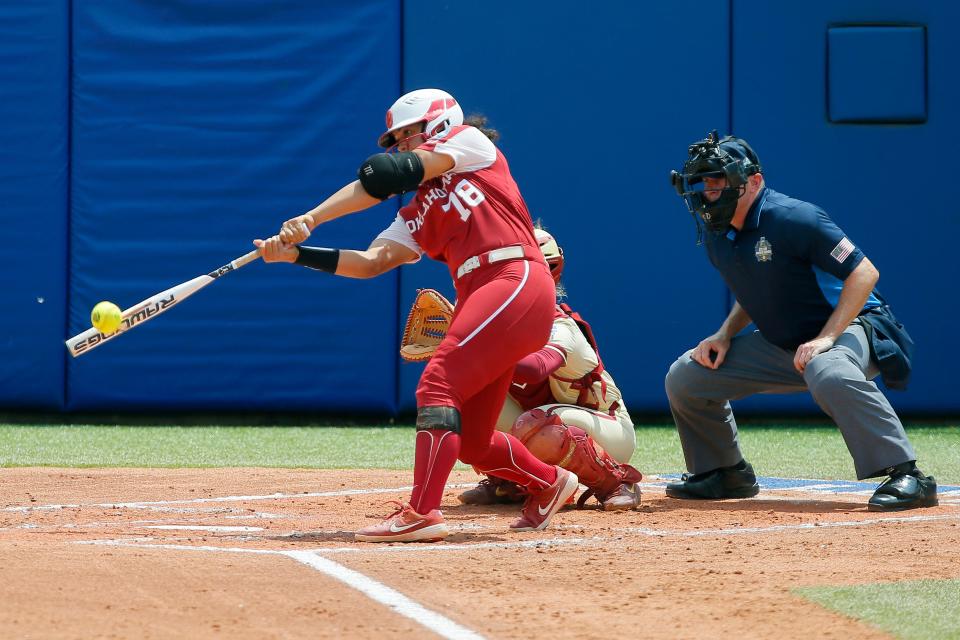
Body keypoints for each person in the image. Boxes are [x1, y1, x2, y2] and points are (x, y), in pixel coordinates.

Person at [255, 88, 579, 542]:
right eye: (398, 137)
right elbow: (370, 263)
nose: (403, 144)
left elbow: (386, 173)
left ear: (439, 123)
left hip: (513, 277)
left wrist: (312, 216)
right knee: (474, 442)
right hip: (481, 294)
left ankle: (422, 512)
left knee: (438, 385)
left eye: (408, 133)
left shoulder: (471, 145)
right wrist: (296, 254)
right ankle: (549, 483)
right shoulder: (416, 213)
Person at [664, 130, 937, 511]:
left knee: (830, 370)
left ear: (754, 181)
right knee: (687, 376)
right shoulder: (716, 234)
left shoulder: (795, 217)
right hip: (786, 345)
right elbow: (758, 288)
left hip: (859, 328)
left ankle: (909, 475)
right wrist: (724, 334)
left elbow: (865, 273)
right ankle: (725, 473)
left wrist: (827, 338)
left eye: (720, 179)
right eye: (704, 181)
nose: (710, 190)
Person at [458, 228, 643, 510]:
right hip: (545, 418)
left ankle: (615, 482)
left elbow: (535, 369)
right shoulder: (494, 321)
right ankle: (513, 480)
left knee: (540, 423)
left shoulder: (560, 326)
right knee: (464, 402)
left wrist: (480, 350)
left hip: (608, 431)